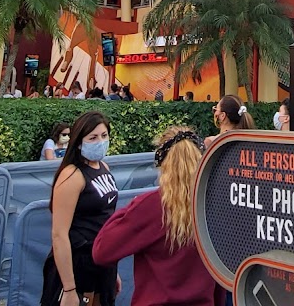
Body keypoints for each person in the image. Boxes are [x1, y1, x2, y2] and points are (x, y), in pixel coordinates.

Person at [93, 126, 224, 306]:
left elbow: (102, 251)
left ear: (163, 164)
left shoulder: (149, 207)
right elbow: (220, 276)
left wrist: (130, 209)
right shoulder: (214, 206)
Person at [40, 111, 120, 306]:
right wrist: (69, 288)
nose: (100, 141)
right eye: (93, 137)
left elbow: (106, 219)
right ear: (79, 141)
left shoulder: (104, 168)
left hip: (102, 264)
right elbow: (59, 235)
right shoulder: (71, 176)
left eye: (104, 136)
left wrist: (112, 271)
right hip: (78, 266)